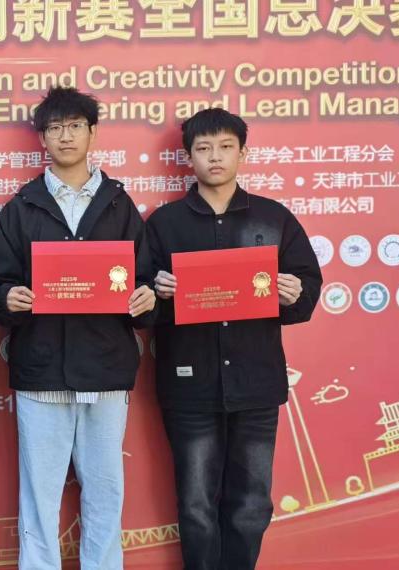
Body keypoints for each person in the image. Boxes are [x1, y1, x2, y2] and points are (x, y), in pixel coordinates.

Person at [145, 108, 322, 570]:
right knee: (196, 504)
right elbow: (140, 304)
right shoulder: (164, 225)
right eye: (203, 149)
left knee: (251, 504)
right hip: (189, 385)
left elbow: (307, 286)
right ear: (188, 157)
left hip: (256, 382)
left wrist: (294, 292)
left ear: (243, 153)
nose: (215, 157)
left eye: (225, 147)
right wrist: (158, 293)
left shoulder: (274, 219)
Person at [0, 87, 156, 569]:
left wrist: (145, 297)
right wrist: (9, 298)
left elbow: (144, 278)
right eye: (55, 128)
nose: (65, 136)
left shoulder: (119, 205)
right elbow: (1, 282)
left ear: (92, 133)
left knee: (105, 490)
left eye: (75, 126)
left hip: (106, 369)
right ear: (42, 138)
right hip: (41, 371)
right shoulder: (22, 207)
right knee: (39, 495)